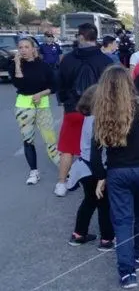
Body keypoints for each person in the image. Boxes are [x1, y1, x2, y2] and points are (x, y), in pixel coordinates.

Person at [90, 65, 139, 289]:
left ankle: (127, 273)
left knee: (123, 221)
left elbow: (95, 152)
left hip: (118, 171)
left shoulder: (103, 111)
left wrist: (100, 175)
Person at [56, 23, 113, 196]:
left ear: (80, 37)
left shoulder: (68, 59)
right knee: (101, 146)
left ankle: (62, 183)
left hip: (73, 110)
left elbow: (60, 85)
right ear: (96, 38)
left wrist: (66, 104)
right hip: (99, 110)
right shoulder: (105, 61)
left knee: (68, 147)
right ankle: (101, 178)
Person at [66, 85, 114, 251]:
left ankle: (79, 234)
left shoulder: (88, 118)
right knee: (104, 204)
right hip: (97, 167)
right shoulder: (98, 121)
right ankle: (107, 239)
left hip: (83, 167)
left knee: (89, 201)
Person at [9, 38, 60, 184]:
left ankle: (64, 171)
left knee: (50, 140)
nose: (23, 50)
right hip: (23, 107)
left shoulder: (43, 66)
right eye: (20, 47)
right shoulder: (14, 65)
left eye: (26, 47)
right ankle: (34, 172)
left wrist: (41, 94)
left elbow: (54, 85)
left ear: (33, 49)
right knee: (28, 140)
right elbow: (19, 84)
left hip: (42, 106)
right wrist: (18, 64)